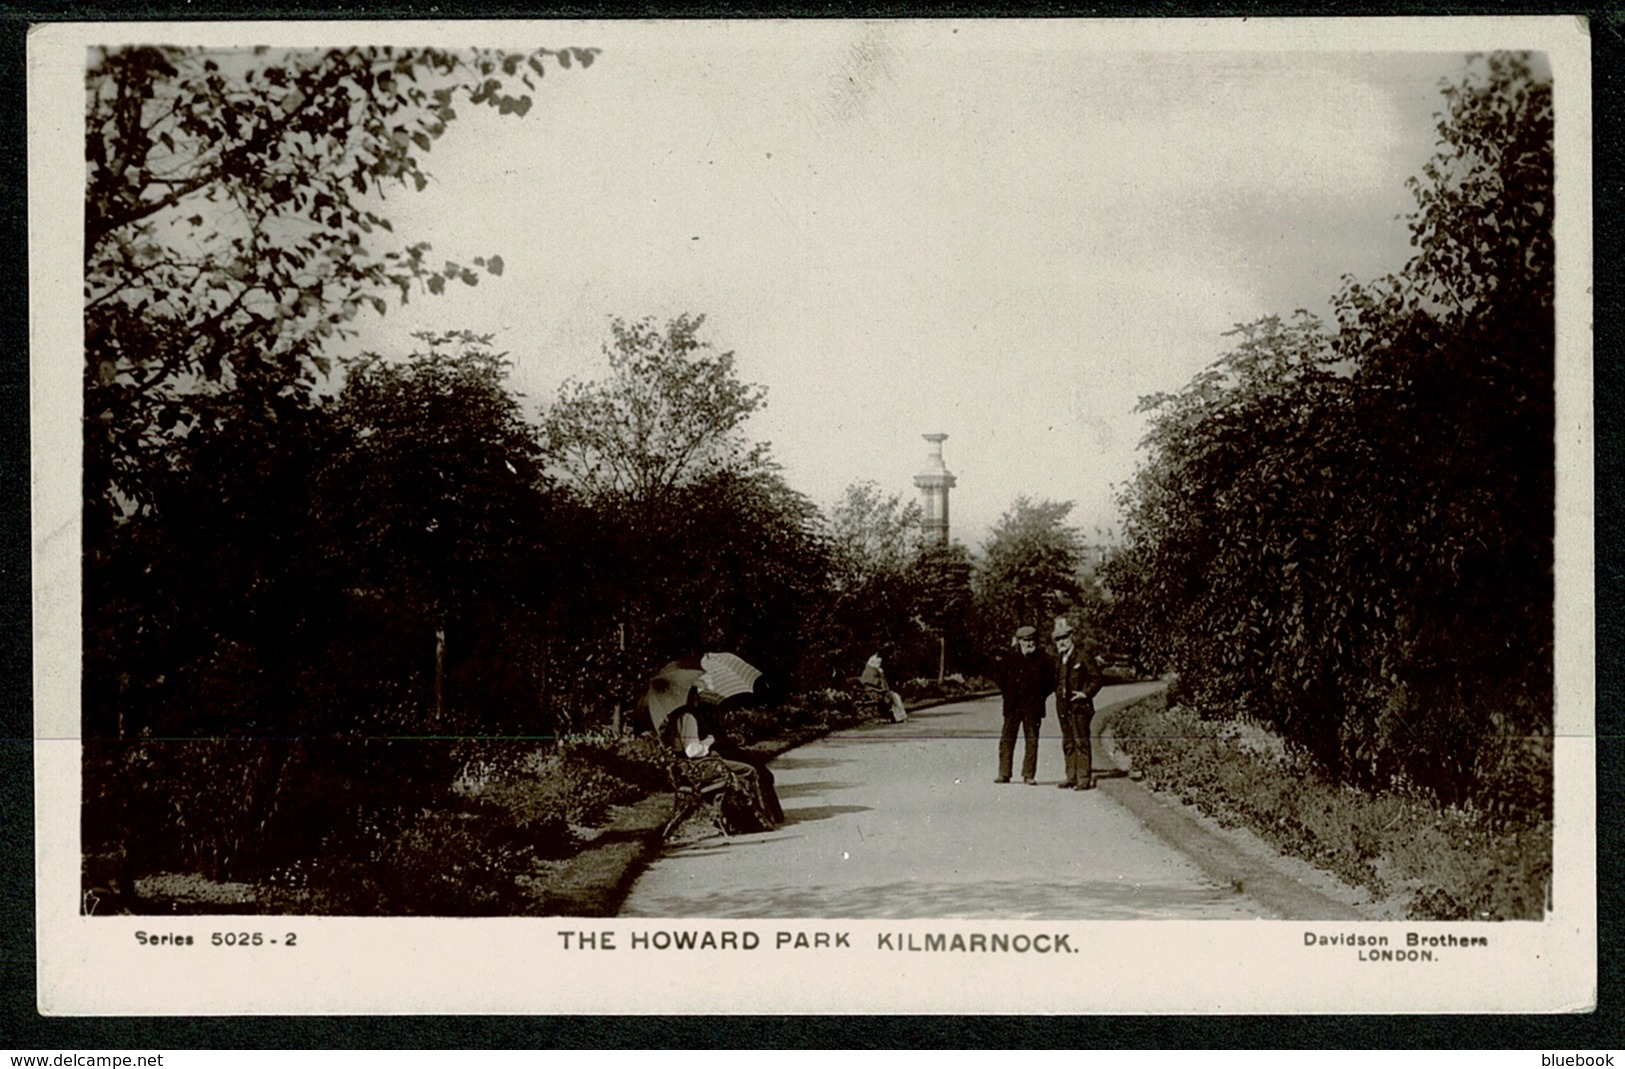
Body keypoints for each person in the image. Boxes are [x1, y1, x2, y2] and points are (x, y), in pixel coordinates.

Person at [662, 689, 778, 830]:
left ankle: (744, 818)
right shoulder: (687, 718)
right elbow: (692, 751)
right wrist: (709, 740)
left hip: (691, 767)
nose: (697, 698)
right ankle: (754, 820)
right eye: (694, 695)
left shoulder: (676, 717)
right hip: (700, 767)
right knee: (748, 770)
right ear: (687, 697)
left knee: (748, 764)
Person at [1052, 616, 1104, 790]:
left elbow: (1097, 679)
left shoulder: (1082, 655)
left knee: (1081, 741)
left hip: (1080, 706)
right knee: (1068, 741)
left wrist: (1085, 694)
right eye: (1058, 639)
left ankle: (1083, 778)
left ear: (1072, 636)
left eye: (1064, 637)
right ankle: (1071, 776)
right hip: (1063, 707)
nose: (1062, 642)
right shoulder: (1059, 658)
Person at [996, 625, 1053, 785]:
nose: (1029, 644)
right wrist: (1008, 693)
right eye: (1025, 641)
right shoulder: (1010, 659)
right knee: (1007, 739)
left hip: (1033, 706)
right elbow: (1000, 677)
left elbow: (1051, 682)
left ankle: (1028, 774)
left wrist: (1040, 696)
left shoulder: (1044, 659)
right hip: (1013, 705)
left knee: (1032, 740)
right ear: (1019, 641)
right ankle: (1004, 773)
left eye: (1032, 640)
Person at [859, 653, 905, 722]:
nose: (879, 664)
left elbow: (882, 683)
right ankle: (899, 716)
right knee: (893, 698)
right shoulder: (870, 672)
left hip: (881, 691)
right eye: (878, 663)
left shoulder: (877, 670)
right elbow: (872, 683)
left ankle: (900, 716)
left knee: (895, 697)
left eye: (880, 663)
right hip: (875, 691)